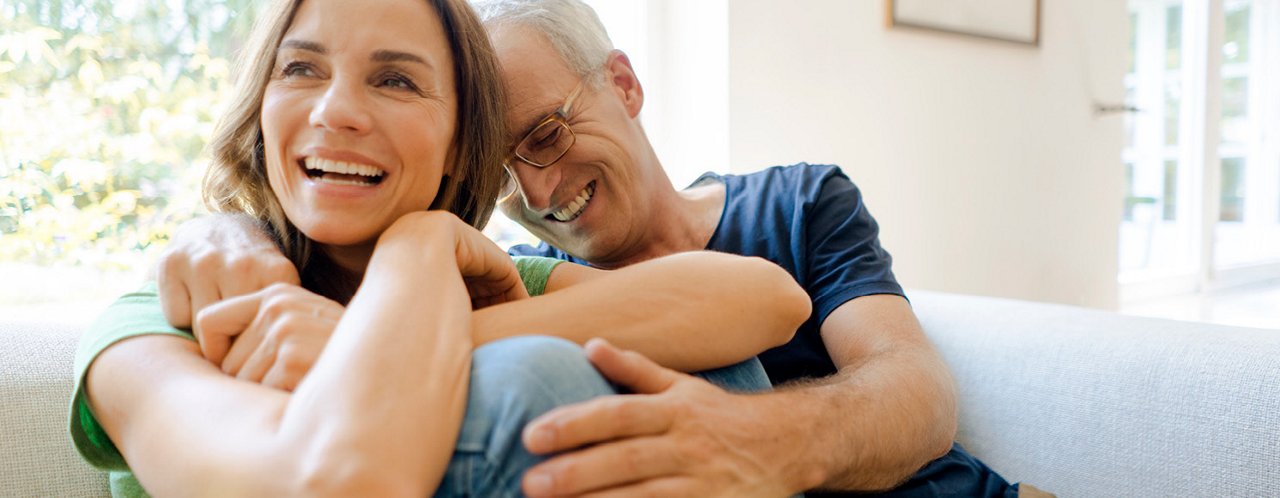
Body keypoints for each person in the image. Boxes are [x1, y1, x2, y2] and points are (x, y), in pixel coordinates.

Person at [157, 0, 1050, 496]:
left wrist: (759, 440)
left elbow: (915, 393)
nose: (539, 194)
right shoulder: (518, 279)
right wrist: (225, 229)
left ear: (622, 82)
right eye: (503, 171)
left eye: (545, 134)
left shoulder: (797, 202)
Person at [69, 0, 810, 496]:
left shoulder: (479, 278)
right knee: (535, 374)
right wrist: (408, 296)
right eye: (300, 69)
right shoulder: (155, 322)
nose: (337, 111)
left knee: (719, 365)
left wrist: (408, 276)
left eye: (395, 80)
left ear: (462, 147)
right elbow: (339, 481)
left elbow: (767, 300)